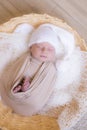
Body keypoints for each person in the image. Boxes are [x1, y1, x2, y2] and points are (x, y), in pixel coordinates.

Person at [0, 23, 64, 116]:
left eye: (50, 49)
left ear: (54, 53)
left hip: (34, 94)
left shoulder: (51, 66)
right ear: (30, 47)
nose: (44, 51)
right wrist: (15, 79)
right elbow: (15, 69)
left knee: (35, 102)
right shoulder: (26, 58)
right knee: (11, 80)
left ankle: (24, 90)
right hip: (21, 78)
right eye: (39, 47)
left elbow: (47, 84)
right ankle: (17, 89)